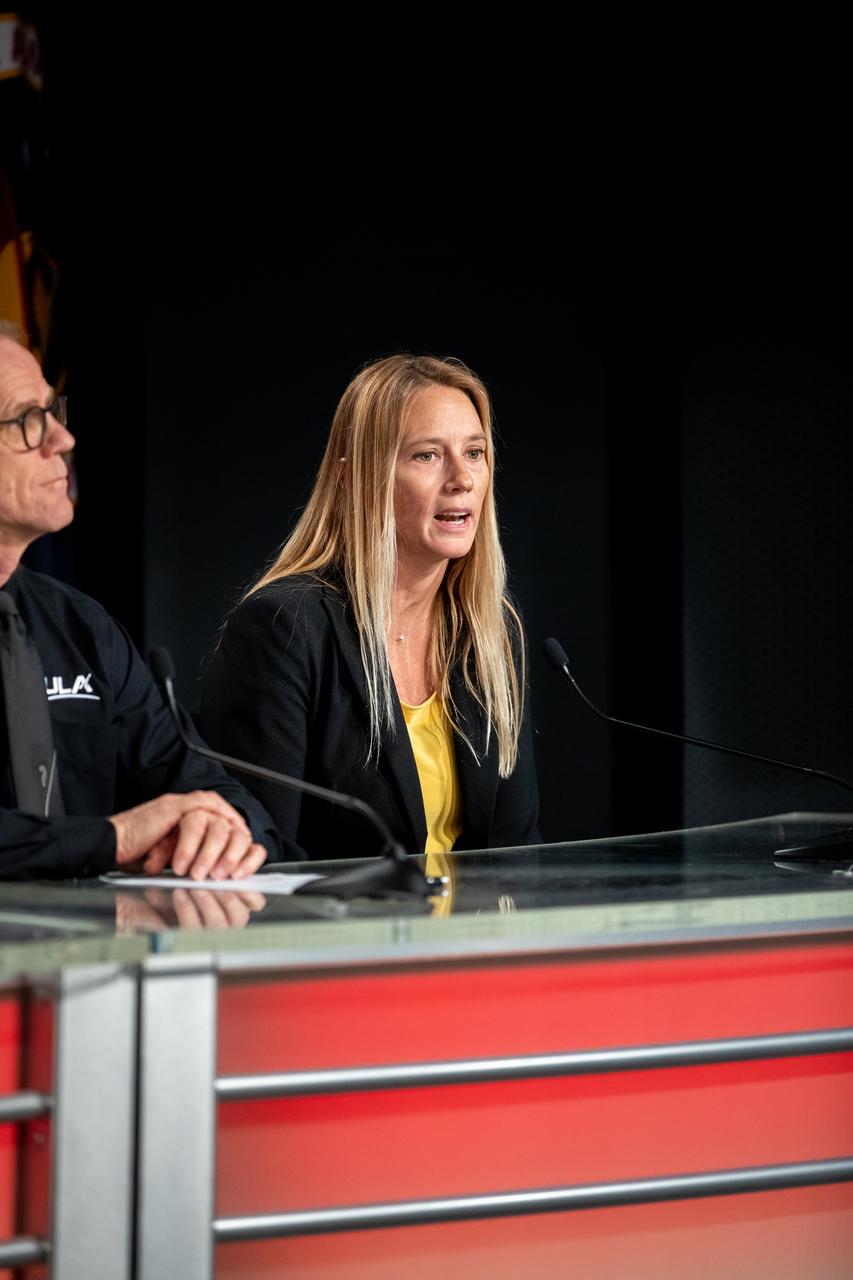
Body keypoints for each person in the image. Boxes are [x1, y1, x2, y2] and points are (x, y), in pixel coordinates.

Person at [200, 353, 539, 863]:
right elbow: (262, 858)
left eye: (474, 452)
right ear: (355, 477)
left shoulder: (490, 630)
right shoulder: (283, 630)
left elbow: (517, 846)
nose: (462, 479)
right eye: (427, 456)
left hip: (473, 940)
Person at [0, 320, 281, 879]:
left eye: (54, 412)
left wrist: (221, 832)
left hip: (84, 961)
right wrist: (114, 838)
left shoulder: (81, 630)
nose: (63, 440)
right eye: (28, 421)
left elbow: (218, 796)